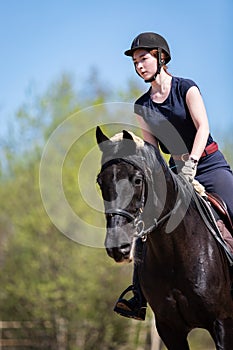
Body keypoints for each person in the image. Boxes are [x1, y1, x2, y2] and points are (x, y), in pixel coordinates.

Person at [114, 32, 233, 321]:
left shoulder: (186, 88)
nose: (139, 66)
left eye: (143, 59)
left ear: (160, 57)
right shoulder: (142, 106)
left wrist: (192, 162)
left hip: (208, 164)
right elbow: (153, 151)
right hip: (174, 172)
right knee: (147, 228)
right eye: (135, 62)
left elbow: (203, 127)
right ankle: (138, 296)